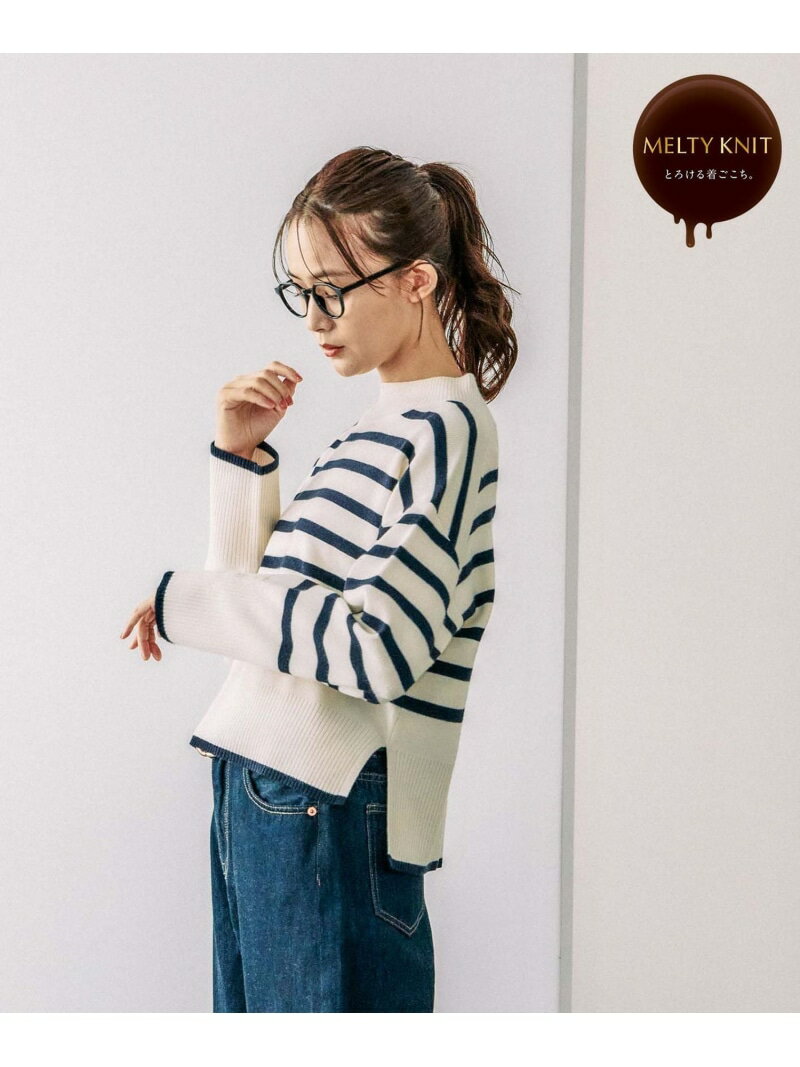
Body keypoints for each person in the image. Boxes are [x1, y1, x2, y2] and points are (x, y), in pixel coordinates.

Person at [119, 145, 517, 1012]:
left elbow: (374, 648)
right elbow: (264, 622)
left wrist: (184, 602)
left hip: (324, 799)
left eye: (331, 290)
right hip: (266, 783)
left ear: (415, 280)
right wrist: (240, 458)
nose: (312, 318)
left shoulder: (447, 428)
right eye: (299, 291)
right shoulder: (375, 428)